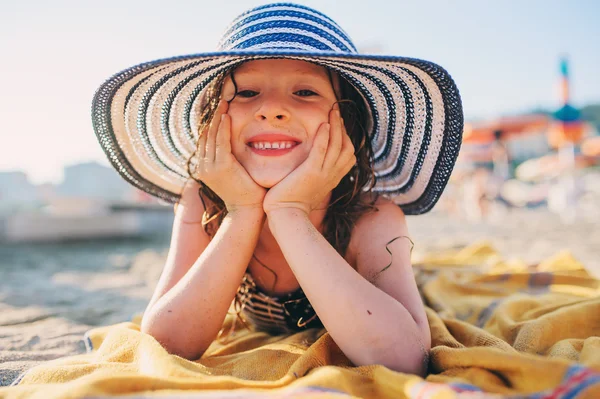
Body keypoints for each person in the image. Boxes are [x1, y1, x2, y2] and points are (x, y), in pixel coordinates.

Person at [91, 3, 463, 377]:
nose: (271, 110)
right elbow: (167, 344)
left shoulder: (373, 216)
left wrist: (289, 212)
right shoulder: (202, 203)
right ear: (213, 121)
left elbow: (406, 358)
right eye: (247, 91)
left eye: (304, 91)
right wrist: (241, 211)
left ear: (347, 122)